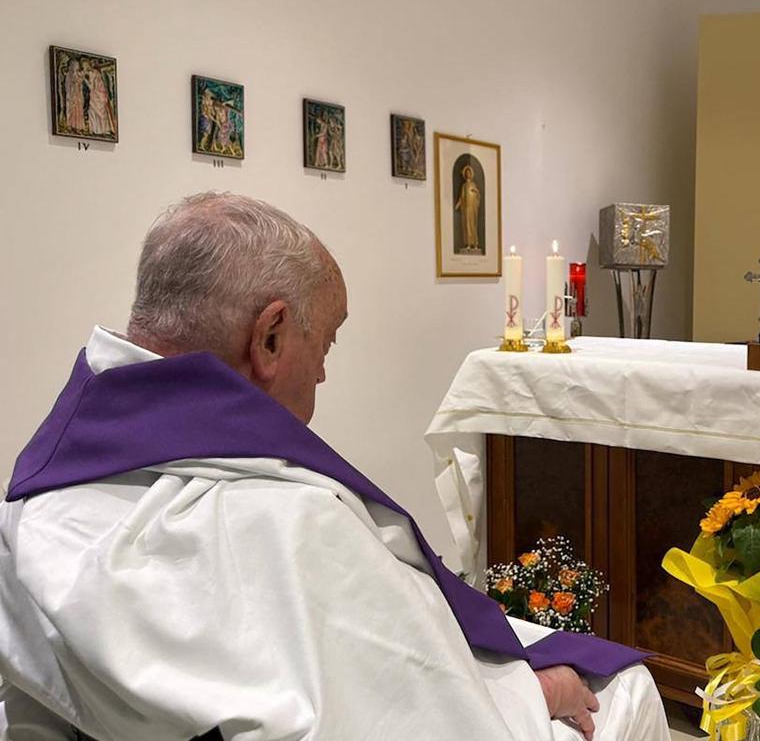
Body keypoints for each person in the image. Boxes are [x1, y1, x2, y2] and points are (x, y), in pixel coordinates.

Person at [0, 192, 668, 740]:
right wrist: (534, 692)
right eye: (327, 339)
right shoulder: (291, 521)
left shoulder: (34, 503)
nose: (323, 369)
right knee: (627, 695)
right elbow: (412, 715)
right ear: (269, 336)